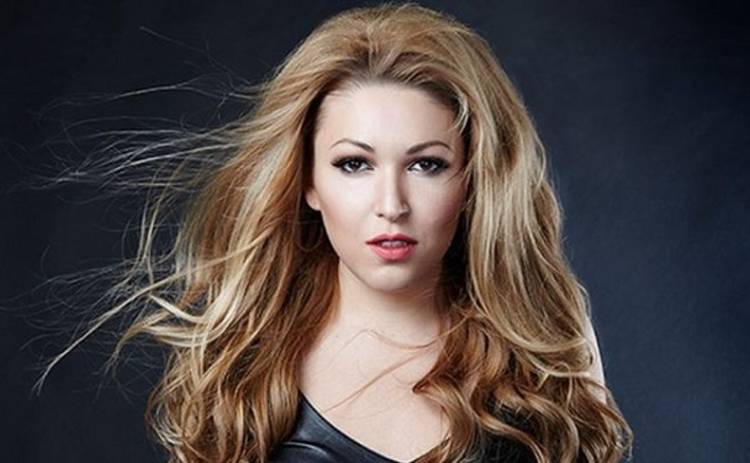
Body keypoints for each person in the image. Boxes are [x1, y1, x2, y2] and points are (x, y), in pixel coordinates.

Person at [38, 3, 633, 462]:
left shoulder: (547, 342)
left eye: (426, 164)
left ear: (475, 181)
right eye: (354, 164)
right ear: (308, 181)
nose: (391, 205)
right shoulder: (246, 357)